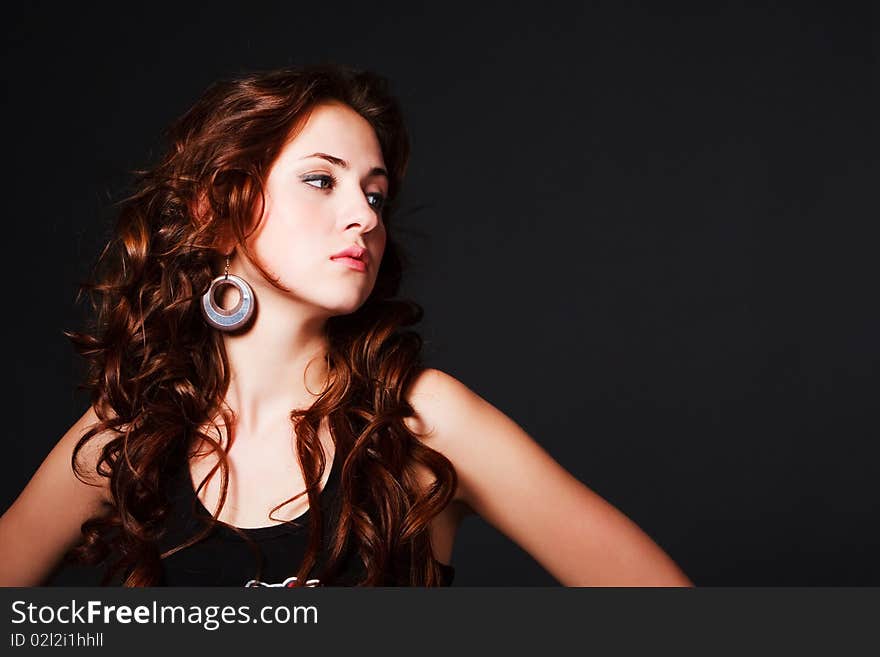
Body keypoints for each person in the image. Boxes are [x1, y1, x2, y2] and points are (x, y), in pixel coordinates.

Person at [0, 63, 693, 587]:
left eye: (376, 193)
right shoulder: (128, 432)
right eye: (322, 180)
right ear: (217, 209)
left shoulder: (421, 420)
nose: (364, 215)